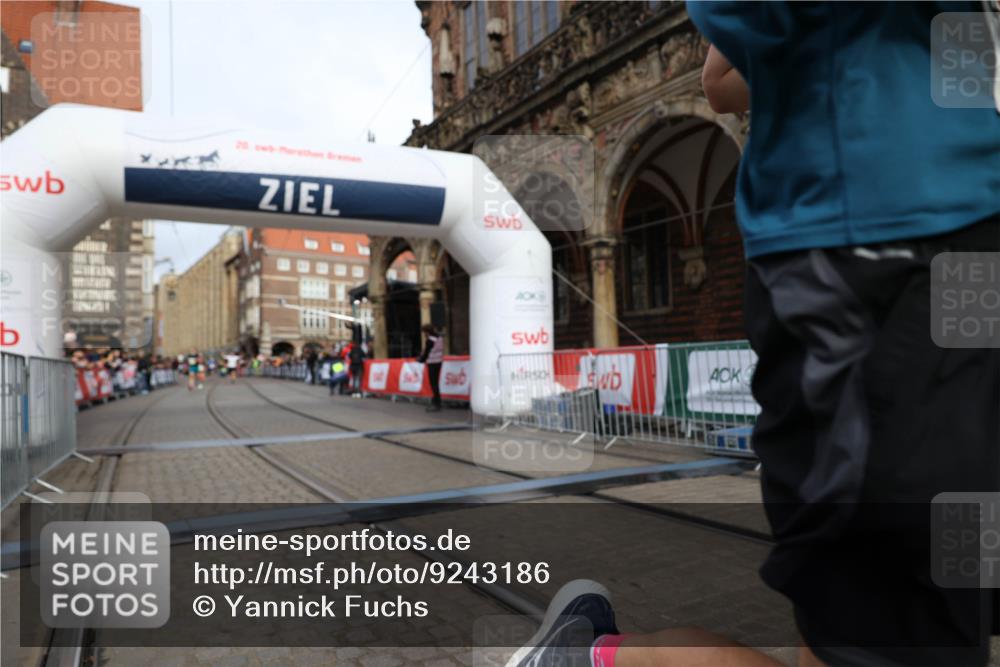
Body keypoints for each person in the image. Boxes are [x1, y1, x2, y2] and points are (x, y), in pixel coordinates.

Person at [506, 4, 999, 667]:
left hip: (961, 223)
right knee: (884, 633)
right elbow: (721, 71)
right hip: (863, 243)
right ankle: (585, 659)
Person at [417, 324, 444, 412]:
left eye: (424, 332)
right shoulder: (439, 337)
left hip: (432, 363)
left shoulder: (430, 340)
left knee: (433, 383)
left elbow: (426, 353)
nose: (424, 334)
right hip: (439, 362)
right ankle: (436, 401)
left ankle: (436, 403)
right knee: (435, 383)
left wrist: (420, 359)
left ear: (427, 332)